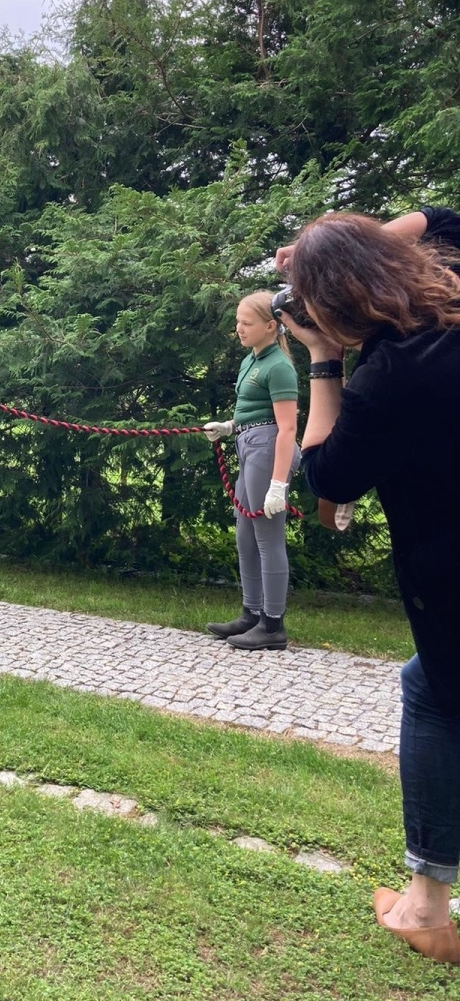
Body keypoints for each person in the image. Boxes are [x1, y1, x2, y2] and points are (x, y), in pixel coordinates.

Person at [280, 208, 460, 965]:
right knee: (427, 686)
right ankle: (426, 901)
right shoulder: (449, 298)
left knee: (435, 693)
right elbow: (446, 218)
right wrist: (331, 248)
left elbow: (328, 473)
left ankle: (427, 908)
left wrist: (322, 359)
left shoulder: (392, 377)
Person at [203, 292, 301, 650]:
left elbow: (287, 428)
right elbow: (254, 410)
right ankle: (251, 613)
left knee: (267, 534)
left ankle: (273, 625)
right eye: (238, 322)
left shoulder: (279, 366)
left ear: (271, 326)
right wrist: (229, 426)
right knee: (245, 532)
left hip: (268, 449)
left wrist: (277, 484)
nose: (239, 329)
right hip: (249, 444)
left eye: (246, 323)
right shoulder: (251, 360)